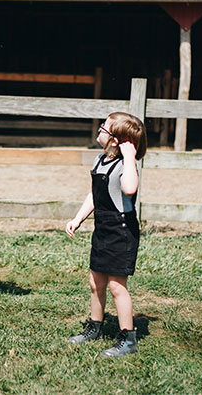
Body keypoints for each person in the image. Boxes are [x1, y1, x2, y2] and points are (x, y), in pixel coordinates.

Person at [65, 112, 147, 357]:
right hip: (102, 227)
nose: (99, 129)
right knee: (95, 282)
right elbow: (94, 195)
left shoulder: (125, 166)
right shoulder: (99, 161)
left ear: (115, 140)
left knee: (116, 287)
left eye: (104, 127)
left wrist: (131, 156)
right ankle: (94, 327)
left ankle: (128, 339)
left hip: (121, 230)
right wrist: (78, 218)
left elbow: (130, 188)